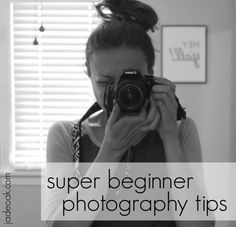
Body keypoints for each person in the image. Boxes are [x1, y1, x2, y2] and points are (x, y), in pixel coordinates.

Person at [46, 0, 214, 226]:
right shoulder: (67, 135)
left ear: (150, 74)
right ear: (89, 74)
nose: (118, 92)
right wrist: (110, 150)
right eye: (105, 82)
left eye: (129, 78)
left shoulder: (181, 130)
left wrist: (170, 138)